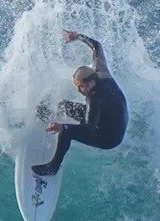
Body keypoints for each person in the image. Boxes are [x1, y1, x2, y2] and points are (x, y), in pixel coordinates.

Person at [32, 30, 127, 177]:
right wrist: (77, 37)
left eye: (80, 87)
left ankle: (52, 168)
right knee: (64, 106)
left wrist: (61, 127)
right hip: (108, 116)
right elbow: (97, 46)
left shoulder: (95, 98)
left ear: (90, 84)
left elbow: (89, 128)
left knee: (66, 131)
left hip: (110, 137)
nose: (78, 90)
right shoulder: (100, 71)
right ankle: (44, 120)